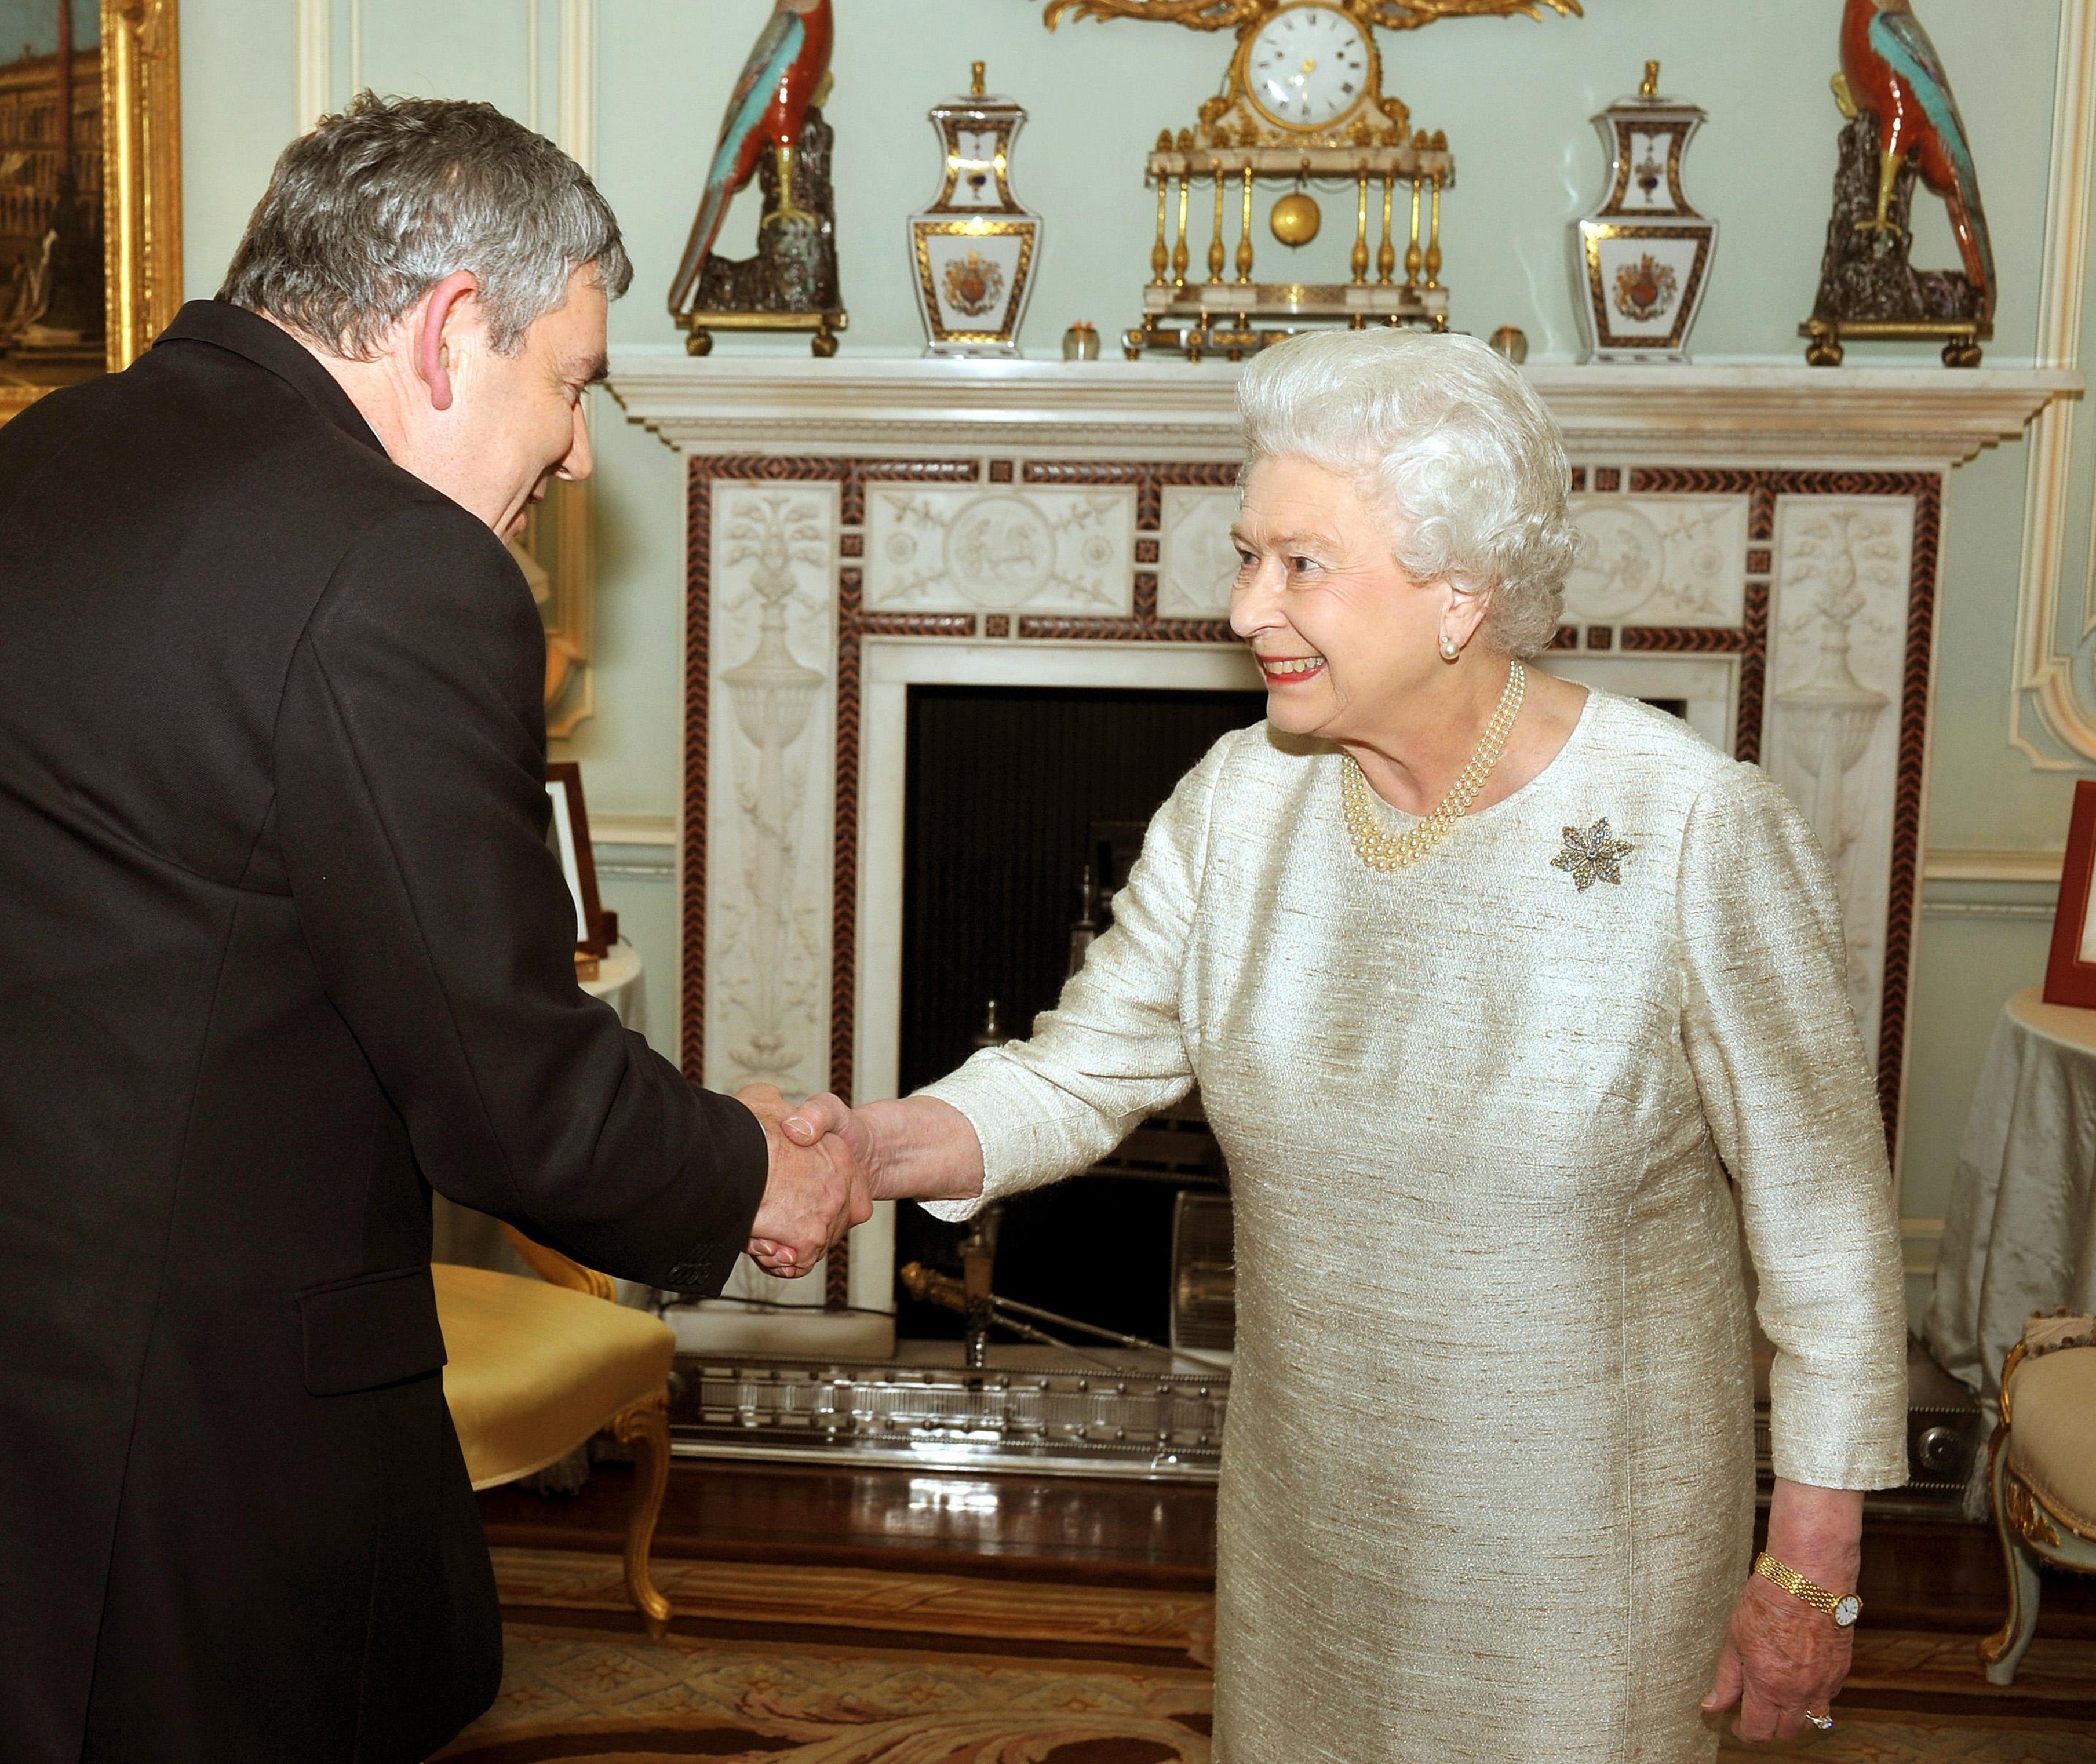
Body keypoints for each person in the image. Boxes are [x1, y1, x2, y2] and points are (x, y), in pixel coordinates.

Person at [0, 94, 867, 1762]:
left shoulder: (5, 475)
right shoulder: (392, 570)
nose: (581, 452)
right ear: (447, 334)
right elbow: (510, 1088)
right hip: (165, 1485)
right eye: (572, 382)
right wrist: (757, 1168)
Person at [778, 329, 1908, 1763]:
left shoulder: (1689, 827)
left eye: (1299, 563)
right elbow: (1080, 1067)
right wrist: (862, 1152)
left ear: (1461, 594)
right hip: (1308, 1531)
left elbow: (1826, 1221)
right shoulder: (1241, 803)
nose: (1246, 603)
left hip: (1582, 1562)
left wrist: (1810, 1563)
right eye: (1248, 552)